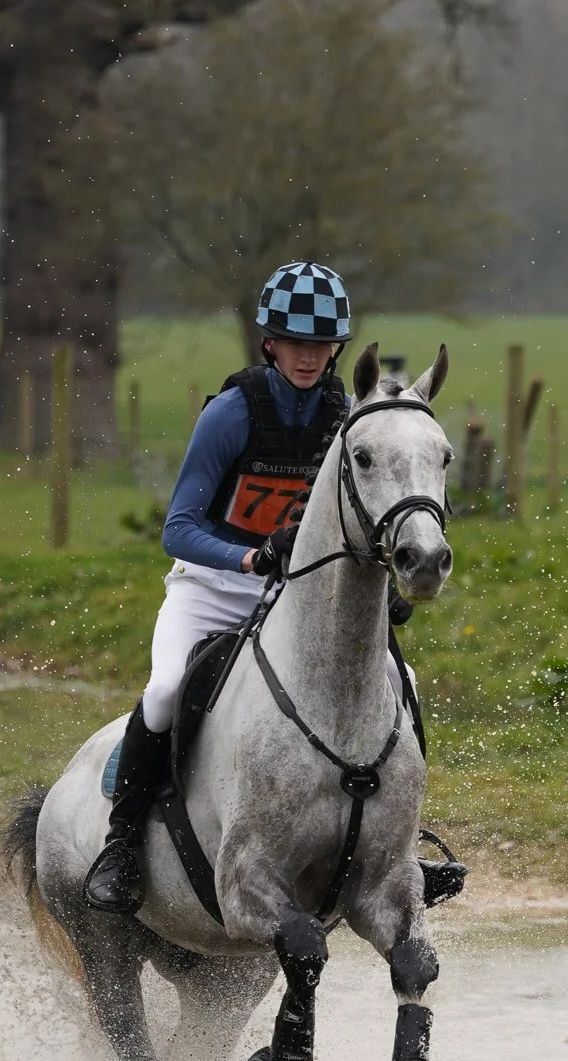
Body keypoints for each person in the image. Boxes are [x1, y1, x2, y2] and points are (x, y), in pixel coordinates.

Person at [84, 260, 465, 915]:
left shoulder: (349, 418)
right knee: (168, 687)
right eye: (296, 343)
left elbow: (363, 512)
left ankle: (398, 854)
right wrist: (252, 557)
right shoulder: (233, 414)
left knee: (402, 683)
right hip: (212, 587)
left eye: (322, 345)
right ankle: (122, 844)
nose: (309, 356)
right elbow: (178, 529)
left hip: (299, 593)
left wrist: (388, 573)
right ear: (271, 344)